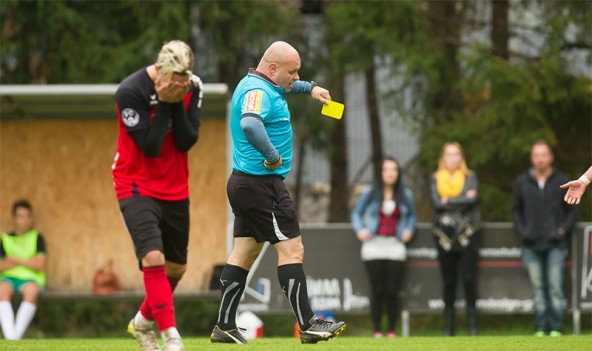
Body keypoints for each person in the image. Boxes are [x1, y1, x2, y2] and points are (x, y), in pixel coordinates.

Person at [210, 41, 346, 345]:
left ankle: (224, 326)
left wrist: (310, 89)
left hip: (245, 182)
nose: (295, 78)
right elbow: (250, 125)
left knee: (244, 252)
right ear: (272, 69)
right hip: (262, 184)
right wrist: (272, 155)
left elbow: (286, 88)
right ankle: (308, 324)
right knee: (292, 250)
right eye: (292, 72)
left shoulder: (261, 85)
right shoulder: (258, 92)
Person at [112, 40, 202, 351]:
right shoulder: (130, 91)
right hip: (135, 183)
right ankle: (171, 338)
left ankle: (141, 322)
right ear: (159, 71)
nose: (181, 84)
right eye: (175, 79)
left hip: (176, 186)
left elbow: (186, 141)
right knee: (153, 258)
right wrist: (164, 102)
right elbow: (150, 146)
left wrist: (176, 100)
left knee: (176, 269)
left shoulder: (191, 86)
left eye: (185, 79)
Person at [512, 140, 577, 337]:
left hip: (555, 244)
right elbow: (515, 211)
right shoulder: (522, 182)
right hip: (530, 244)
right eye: (536, 155)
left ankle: (557, 327)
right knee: (538, 288)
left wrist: (562, 231)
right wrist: (524, 232)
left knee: (555, 287)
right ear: (532, 158)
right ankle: (541, 327)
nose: (540, 159)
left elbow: (572, 211)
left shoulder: (562, 180)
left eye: (543, 155)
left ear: (550, 157)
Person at [351, 157, 416, 338]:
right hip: (373, 246)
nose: (390, 173)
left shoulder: (405, 194)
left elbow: (412, 216)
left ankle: (392, 330)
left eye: (394, 169)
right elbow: (356, 213)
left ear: (398, 173)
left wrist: (409, 230)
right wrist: (360, 229)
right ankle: (377, 330)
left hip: (395, 246)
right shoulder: (371, 192)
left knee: (393, 290)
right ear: (380, 173)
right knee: (377, 289)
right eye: (386, 169)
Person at [430, 142, 481, 337]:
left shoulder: (470, 177)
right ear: (443, 158)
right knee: (448, 280)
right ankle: (448, 327)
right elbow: (436, 203)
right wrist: (462, 198)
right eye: (449, 154)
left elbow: (473, 200)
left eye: (456, 154)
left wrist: (448, 200)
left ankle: (472, 326)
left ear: (461, 157)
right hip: (444, 235)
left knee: (469, 279)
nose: (452, 158)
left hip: (468, 234)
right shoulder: (435, 178)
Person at [0, 200, 47, 340]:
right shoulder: (5, 239)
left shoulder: (37, 237)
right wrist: (28, 261)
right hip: (8, 278)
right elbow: (1, 266)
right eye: (20, 216)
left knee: (31, 291)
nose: (24, 220)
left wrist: (14, 259)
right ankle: (12, 338)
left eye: (27, 216)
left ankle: (14, 339)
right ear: (14, 218)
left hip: (31, 278)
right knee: (1, 291)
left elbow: (40, 264)